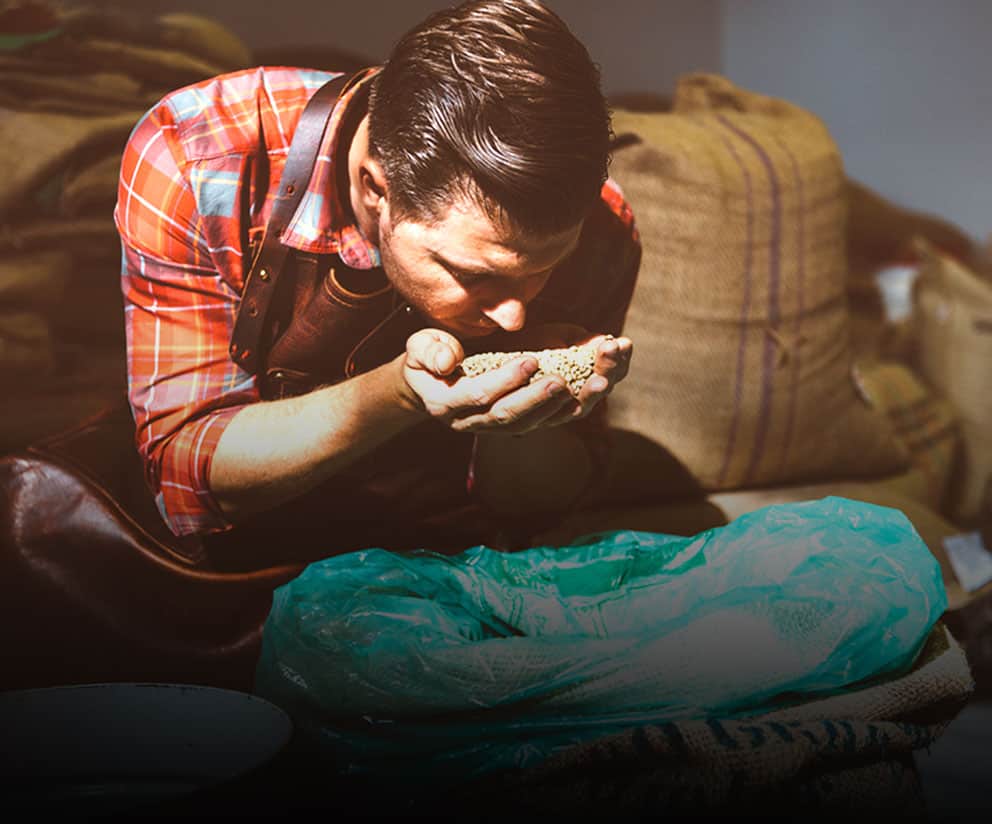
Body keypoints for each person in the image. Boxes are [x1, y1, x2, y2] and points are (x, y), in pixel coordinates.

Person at [115, 0, 641, 569]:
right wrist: (398, 392)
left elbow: (535, 509)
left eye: (542, 269)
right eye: (472, 274)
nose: (515, 317)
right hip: (253, 560)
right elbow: (182, 480)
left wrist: (537, 418)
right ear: (375, 189)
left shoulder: (603, 226)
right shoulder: (199, 158)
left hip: (451, 554)